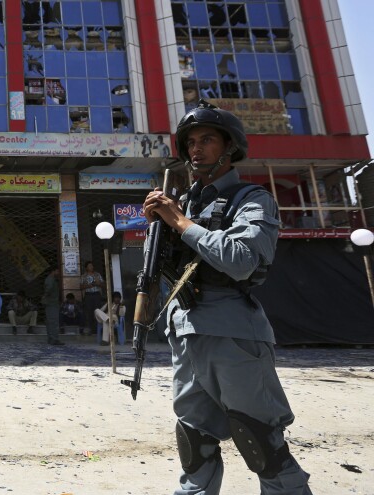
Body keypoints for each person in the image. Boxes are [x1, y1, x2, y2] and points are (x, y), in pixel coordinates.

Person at [142, 101, 312, 494]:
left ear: (230, 147)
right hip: (186, 330)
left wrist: (180, 223)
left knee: (259, 442)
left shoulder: (251, 199)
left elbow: (240, 261)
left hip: (233, 332)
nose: (196, 149)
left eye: (207, 140)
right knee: (194, 443)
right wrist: (162, 229)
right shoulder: (185, 203)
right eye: (191, 143)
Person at [80, 261, 105, 335]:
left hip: (97, 294)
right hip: (88, 295)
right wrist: (89, 286)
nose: (91, 267)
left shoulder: (97, 275)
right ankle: (90, 329)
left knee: (98, 311)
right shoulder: (83, 276)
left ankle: (98, 329)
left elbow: (103, 284)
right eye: (89, 266)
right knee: (89, 312)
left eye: (92, 266)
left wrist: (98, 284)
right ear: (86, 267)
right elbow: (81, 287)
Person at [41, 265, 64, 346]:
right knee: (53, 321)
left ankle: (51, 339)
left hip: (51, 303)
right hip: (52, 303)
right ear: (53, 271)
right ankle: (54, 339)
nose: (58, 272)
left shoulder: (50, 279)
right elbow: (49, 289)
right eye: (57, 271)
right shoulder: (51, 279)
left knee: (50, 321)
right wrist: (46, 296)